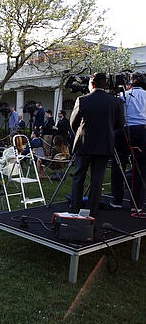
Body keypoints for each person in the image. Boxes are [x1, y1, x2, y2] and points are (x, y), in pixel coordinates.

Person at [70, 73, 124, 216]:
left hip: (84, 143)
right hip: (104, 144)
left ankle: (75, 207)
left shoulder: (82, 99)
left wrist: (81, 133)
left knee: (79, 176)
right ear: (105, 84)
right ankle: (91, 210)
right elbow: (119, 124)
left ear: (91, 84)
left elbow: (73, 123)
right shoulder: (115, 101)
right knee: (97, 178)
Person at [111, 73, 146, 213]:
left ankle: (117, 200)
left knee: (118, 165)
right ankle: (137, 203)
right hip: (142, 131)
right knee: (141, 168)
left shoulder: (123, 96)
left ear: (130, 83)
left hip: (124, 131)